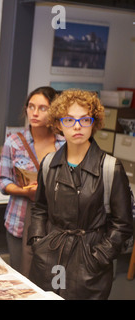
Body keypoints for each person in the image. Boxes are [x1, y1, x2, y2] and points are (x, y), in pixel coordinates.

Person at [28, 89, 133, 299]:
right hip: (50, 256)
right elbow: (40, 208)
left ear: (94, 123)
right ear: (58, 124)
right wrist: (38, 242)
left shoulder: (110, 168)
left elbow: (123, 224)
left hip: (89, 263)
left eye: (85, 120)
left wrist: (98, 257)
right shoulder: (49, 163)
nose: (77, 126)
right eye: (69, 120)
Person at [0, 87, 65, 275]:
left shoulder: (64, 145)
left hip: (53, 222)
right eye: (31, 106)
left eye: (43, 108)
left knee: (47, 276)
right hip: (19, 219)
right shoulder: (14, 142)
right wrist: (25, 191)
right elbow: (3, 181)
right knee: (20, 275)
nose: (35, 113)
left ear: (54, 111)